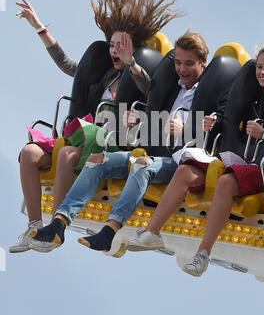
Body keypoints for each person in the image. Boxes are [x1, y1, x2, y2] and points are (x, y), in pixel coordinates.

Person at [10, 0, 180, 253]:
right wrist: (40, 27)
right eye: (112, 46)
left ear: (131, 49)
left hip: (112, 144)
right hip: (85, 138)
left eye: (121, 46)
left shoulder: (139, 76)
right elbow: (66, 64)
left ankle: (56, 228)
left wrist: (131, 63)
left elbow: (150, 88)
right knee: (29, 153)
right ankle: (34, 227)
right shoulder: (102, 75)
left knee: (66, 154)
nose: (115, 51)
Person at [127, 37, 264, 277]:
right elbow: (228, 120)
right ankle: (152, 233)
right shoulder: (255, 100)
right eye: (259, 67)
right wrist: (214, 123)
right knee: (186, 170)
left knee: (226, 181)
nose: (262, 72)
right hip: (236, 161)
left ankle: (202, 255)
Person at [28, 31, 213, 253]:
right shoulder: (174, 86)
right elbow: (151, 96)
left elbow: (217, 124)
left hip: (180, 159)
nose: (182, 69)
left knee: (140, 164)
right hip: (154, 148)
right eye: (179, 63)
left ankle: (109, 231)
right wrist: (138, 117)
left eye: (189, 64)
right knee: (97, 160)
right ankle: (59, 224)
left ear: (203, 62)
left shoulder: (211, 92)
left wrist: (187, 128)